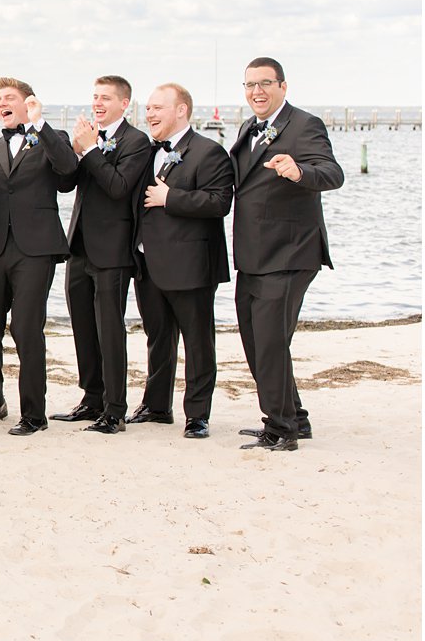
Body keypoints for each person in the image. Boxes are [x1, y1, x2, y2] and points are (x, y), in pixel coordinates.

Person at [230, 57, 344, 451]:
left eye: (264, 83)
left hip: (291, 251)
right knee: (255, 338)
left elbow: (332, 173)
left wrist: (299, 172)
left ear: (283, 86)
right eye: (249, 85)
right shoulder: (248, 128)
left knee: (270, 340)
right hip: (253, 255)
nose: (256, 91)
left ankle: (281, 429)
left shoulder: (304, 125)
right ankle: (295, 415)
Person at [0, 77, 78, 435]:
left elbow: (68, 174)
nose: (2, 103)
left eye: (9, 97)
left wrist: (39, 124)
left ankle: (34, 413)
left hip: (35, 249)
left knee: (27, 329)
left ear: (29, 103)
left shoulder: (51, 138)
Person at [131, 83, 234, 439]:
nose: (150, 114)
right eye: (148, 108)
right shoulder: (147, 152)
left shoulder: (209, 152)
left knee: (198, 341)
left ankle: (197, 414)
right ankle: (157, 406)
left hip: (191, 264)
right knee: (157, 337)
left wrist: (170, 197)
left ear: (181, 111)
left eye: (158, 107)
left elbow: (219, 202)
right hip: (148, 262)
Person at [56, 75, 154, 434]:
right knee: (81, 324)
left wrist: (91, 150)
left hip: (113, 249)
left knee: (109, 328)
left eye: (106, 98)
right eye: (95, 97)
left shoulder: (136, 141)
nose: (98, 103)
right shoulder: (89, 137)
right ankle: (91, 397)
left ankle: (115, 408)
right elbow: (67, 183)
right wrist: (77, 149)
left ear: (124, 103)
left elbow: (118, 187)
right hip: (79, 245)